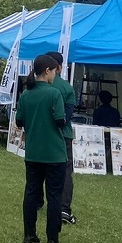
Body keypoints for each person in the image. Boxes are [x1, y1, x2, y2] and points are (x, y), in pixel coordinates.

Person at [15, 53, 68, 243]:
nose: (56, 74)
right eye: (55, 71)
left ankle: (29, 234)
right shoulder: (54, 94)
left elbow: (19, 122)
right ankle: (52, 240)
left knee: (31, 193)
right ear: (47, 71)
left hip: (33, 153)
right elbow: (60, 121)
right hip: (54, 153)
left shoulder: (26, 94)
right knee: (54, 196)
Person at [48, 52, 77, 226]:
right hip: (63, 135)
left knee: (38, 169)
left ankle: (36, 202)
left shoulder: (36, 86)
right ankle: (64, 208)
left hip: (42, 135)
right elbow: (68, 114)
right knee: (65, 171)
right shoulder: (67, 88)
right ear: (59, 67)